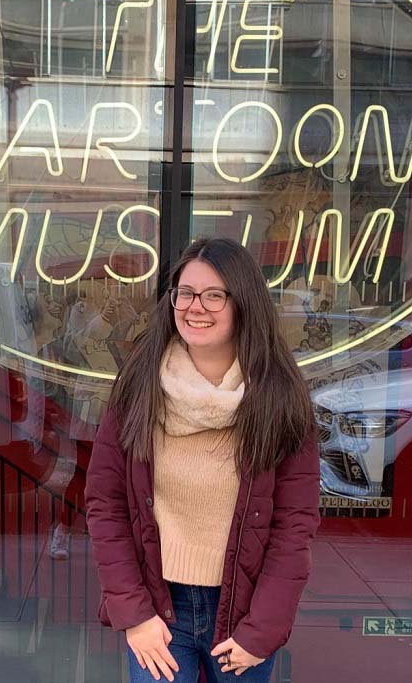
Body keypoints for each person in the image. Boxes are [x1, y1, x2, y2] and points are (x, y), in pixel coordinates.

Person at [85, 237, 321, 682]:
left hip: (241, 615)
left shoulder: (279, 397)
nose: (197, 306)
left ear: (243, 302)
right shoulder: (139, 384)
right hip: (160, 608)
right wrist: (134, 613)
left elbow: (295, 525)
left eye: (214, 294)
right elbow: (105, 503)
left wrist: (262, 630)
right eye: (186, 292)